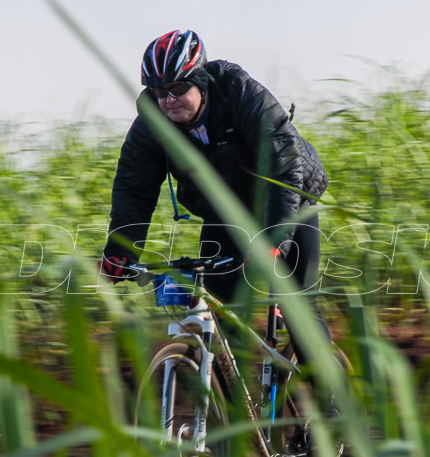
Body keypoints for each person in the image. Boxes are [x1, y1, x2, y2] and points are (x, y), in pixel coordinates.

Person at [97, 29, 331, 361]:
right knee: (222, 313)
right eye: (159, 92)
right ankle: (231, 402)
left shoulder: (239, 92)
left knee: (298, 307)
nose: (168, 100)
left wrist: (273, 239)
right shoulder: (152, 122)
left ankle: (333, 405)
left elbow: (284, 166)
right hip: (226, 213)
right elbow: (134, 188)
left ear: (201, 81)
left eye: (178, 88)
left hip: (288, 200)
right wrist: (120, 254)